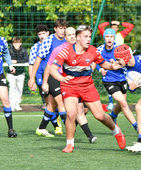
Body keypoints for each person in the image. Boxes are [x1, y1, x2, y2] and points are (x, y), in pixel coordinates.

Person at [50, 25, 126, 153]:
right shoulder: (66, 51)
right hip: (69, 86)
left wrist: (114, 66)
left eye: (90, 37)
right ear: (78, 37)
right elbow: (52, 69)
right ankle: (69, 144)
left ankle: (117, 131)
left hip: (87, 86)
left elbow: (104, 64)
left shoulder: (93, 51)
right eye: (85, 36)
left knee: (99, 116)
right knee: (71, 114)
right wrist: (61, 79)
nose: (88, 39)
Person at [47, 27, 97, 143]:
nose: (72, 37)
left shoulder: (84, 48)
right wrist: (45, 82)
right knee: (63, 106)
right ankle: (67, 132)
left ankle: (85, 134)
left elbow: (93, 61)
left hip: (80, 83)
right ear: (65, 37)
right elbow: (49, 67)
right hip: (63, 81)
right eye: (69, 35)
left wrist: (90, 70)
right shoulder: (59, 49)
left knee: (81, 110)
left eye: (73, 34)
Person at [28, 18, 68, 137]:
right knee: (57, 101)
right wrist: (32, 78)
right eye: (60, 28)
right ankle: (66, 127)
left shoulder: (68, 40)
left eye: (64, 28)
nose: (63, 31)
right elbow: (37, 59)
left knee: (52, 103)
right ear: (55, 29)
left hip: (63, 75)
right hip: (49, 75)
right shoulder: (49, 41)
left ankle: (42, 127)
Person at [97, 28, 138, 132]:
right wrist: (101, 69)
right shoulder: (100, 50)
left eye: (111, 36)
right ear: (104, 38)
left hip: (121, 78)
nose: (109, 39)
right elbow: (95, 62)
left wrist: (119, 64)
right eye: (107, 36)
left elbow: (128, 63)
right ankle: (136, 126)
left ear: (114, 38)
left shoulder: (119, 49)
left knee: (120, 104)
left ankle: (113, 116)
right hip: (109, 80)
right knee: (124, 103)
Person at [29, 24, 50, 110]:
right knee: (47, 100)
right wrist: (32, 79)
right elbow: (31, 64)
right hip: (40, 76)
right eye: (39, 34)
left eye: (43, 33)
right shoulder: (35, 48)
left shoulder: (53, 44)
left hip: (53, 75)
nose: (42, 36)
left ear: (48, 33)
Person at [6, 37, 28, 111]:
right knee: (12, 88)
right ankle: (11, 105)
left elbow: (26, 59)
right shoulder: (9, 50)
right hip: (10, 73)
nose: (16, 44)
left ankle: (17, 104)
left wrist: (16, 61)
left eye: (18, 43)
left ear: (20, 43)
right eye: (15, 43)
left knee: (19, 88)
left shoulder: (23, 50)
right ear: (13, 43)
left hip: (21, 73)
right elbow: (6, 58)